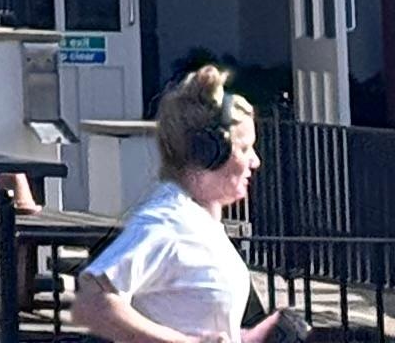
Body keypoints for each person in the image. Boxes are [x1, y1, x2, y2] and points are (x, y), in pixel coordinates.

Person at [71, 65, 308, 342]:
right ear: (208, 151)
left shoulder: (200, 222)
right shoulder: (168, 221)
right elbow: (94, 300)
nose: (255, 161)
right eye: (244, 148)